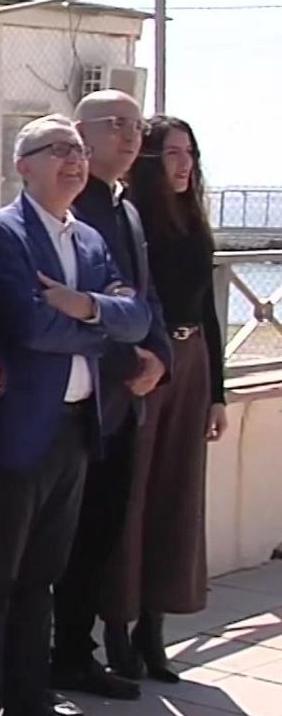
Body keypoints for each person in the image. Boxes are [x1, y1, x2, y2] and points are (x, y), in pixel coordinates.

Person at [0, 114, 151, 716]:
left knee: (42, 576)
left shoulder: (90, 239)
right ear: (24, 166)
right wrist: (95, 320)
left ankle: (30, 699)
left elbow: (137, 315)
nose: (73, 160)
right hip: (17, 435)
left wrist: (84, 305)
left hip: (74, 429)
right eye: (56, 150)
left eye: (76, 150)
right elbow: (27, 324)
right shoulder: (0, 233)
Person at [51, 90, 172, 702]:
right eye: (116, 125)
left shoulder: (124, 207)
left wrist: (160, 361)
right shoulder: (76, 209)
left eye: (136, 126)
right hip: (89, 398)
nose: (130, 137)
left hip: (128, 399)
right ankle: (62, 654)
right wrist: (131, 361)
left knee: (102, 530)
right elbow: (85, 307)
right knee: (70, 538)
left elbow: (143, 298)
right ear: (79, 134)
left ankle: (78, 649)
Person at [110, 115, 228, 682]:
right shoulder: (132, 219)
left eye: (190, 153)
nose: (184, 164)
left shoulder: (193, 221)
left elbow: (206, 305)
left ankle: (154, 628)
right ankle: (117, 630)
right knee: (133, 496)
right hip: (148, 362)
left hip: (193, 360)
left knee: (178, 495)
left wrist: (218, 393)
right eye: (173, 153)